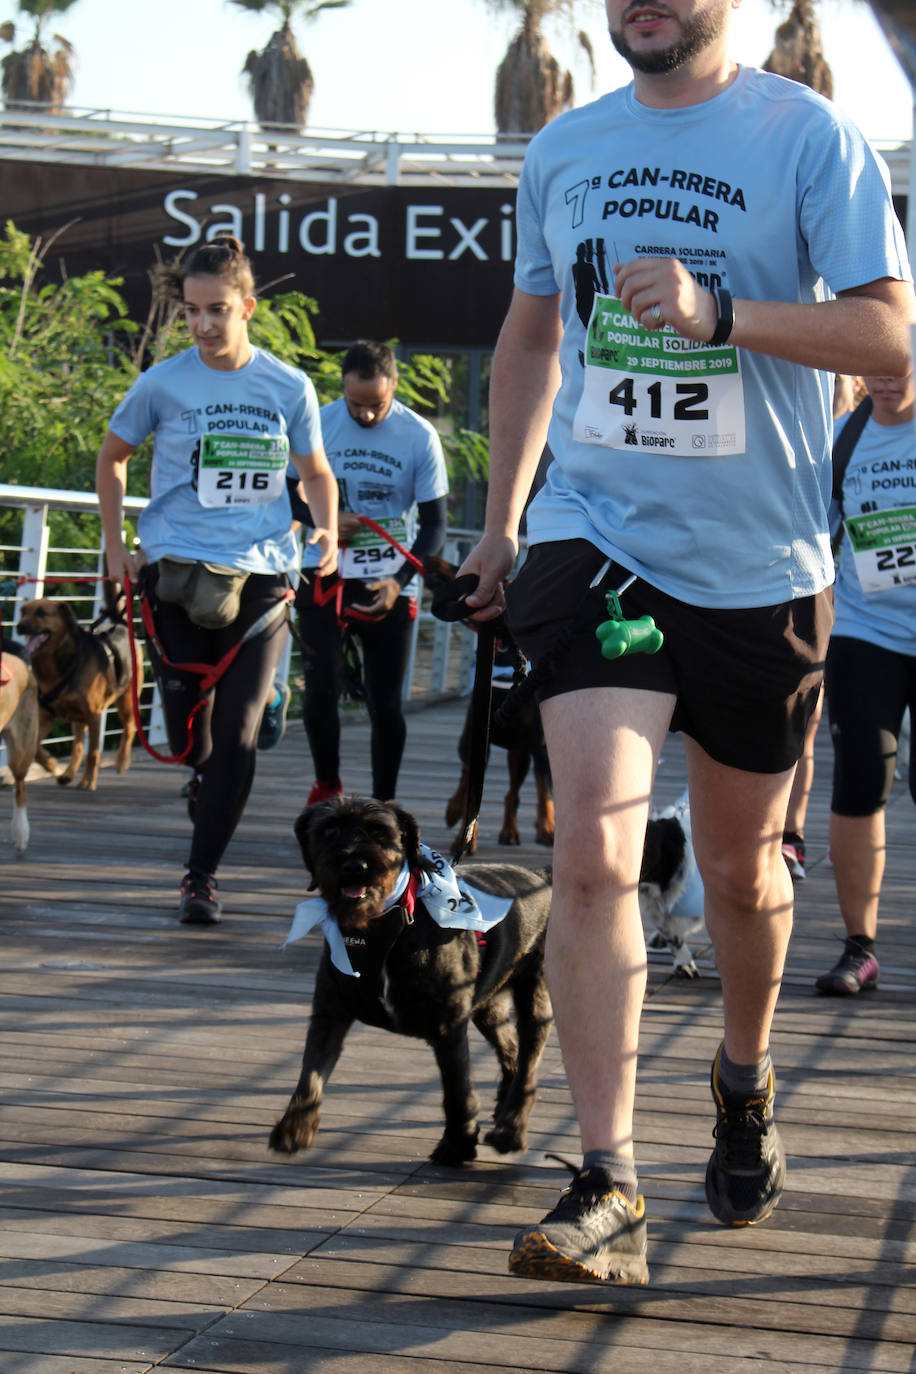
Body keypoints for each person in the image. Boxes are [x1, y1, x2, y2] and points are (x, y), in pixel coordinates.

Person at [459, 0, 914, 1285]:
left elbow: (887, 335)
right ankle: (608, 1175)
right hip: (593, 531)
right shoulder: (564, 148)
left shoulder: (807, 137)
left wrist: (723, 314)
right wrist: (502, 524)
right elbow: (534, 333)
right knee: (592, 848)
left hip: (759, 567)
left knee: (739, 874)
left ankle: (744, 1076)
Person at [96, 234, 337, 926]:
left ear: (248, 307)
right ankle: (209, 780)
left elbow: (315, 471)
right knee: (191, 739)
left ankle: (199, 877)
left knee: (234, 733)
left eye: (218, 310)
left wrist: (321, 528)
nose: (203, 325)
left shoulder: (288, 386)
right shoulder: (162, 383)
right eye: (192, 311)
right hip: (176, 572)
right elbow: (113, 460)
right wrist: (117, 548)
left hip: (261, 574)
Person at [295, 340, 448, 804]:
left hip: (388, 578)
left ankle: (384, 805)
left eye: (375, 406)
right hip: (324, 571)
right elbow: (285, 494)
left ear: (395, 387)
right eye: (354, 403)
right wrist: (321, 519)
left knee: (385, 704)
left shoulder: (419, 435)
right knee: (320, 690)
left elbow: (435, 525)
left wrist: (399, 581)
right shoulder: (318, 423)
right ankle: (328, 787)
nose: (364, 416)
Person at [816, 371, 916, 996]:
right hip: (865, 630)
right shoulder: (842, 440)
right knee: (859, 780)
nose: (883, 377)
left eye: (899, 363)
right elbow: (812, 531)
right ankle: (861, 947)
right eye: (871, 364)